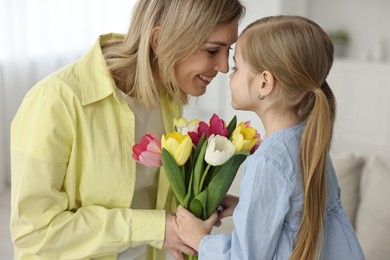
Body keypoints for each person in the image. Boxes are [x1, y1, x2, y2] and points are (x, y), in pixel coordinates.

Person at [9, 0, 245, 259]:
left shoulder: (167, 99)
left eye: (228, 51)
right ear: (159, 40)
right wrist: (157, 228)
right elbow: (34, 233)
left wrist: (202, 199)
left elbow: (144, 197)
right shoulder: (55, 102)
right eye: (213, 51)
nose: (224, 67)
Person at [174, 15, 366, 260]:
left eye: (236, 68)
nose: (228, 74)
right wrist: (248, 207)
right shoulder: (308, 139)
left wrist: (199, 240)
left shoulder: (268, 162)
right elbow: (299, 211)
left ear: (264, 83)